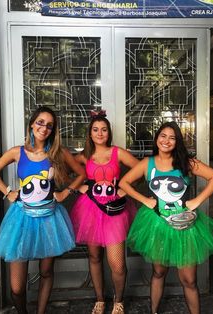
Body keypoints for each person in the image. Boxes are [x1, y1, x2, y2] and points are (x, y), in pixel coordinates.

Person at [119, 121, 213, 314]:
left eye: (172, 137)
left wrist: (197, 201)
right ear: (157, 138)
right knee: (159, 272)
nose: (166, 141)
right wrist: (145, 200)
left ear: (177, 142)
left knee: (189, 280)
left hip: (185, 225)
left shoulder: (186, 162)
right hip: (157, 224)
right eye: (163, 136)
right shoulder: (147, 164)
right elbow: (124, 183)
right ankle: (155, 311)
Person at [0, 106, 85, 314]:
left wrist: (65, 193)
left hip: (50, 218)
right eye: (40, 122)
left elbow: (81, 174)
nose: (44, 128)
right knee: (16, 287)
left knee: (47, 271)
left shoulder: (58, 153)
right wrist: (8, 191)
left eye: (50, 125)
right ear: (32, 124)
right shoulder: (17, 152)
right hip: (21, 219)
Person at [70, 111, 139, 314]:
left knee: (117, 264)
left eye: (104, 129)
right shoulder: (84, 156)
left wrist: (125, 189)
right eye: (95, 129)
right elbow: (62, 165)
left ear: (109, 133)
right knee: (94, 256)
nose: (100, 133)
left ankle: (119, 301)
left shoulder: (118, 153)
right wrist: (77, 187)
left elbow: (142, 169)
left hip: (114, 210)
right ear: (89, 133)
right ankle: (99, 299)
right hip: (90, 208)